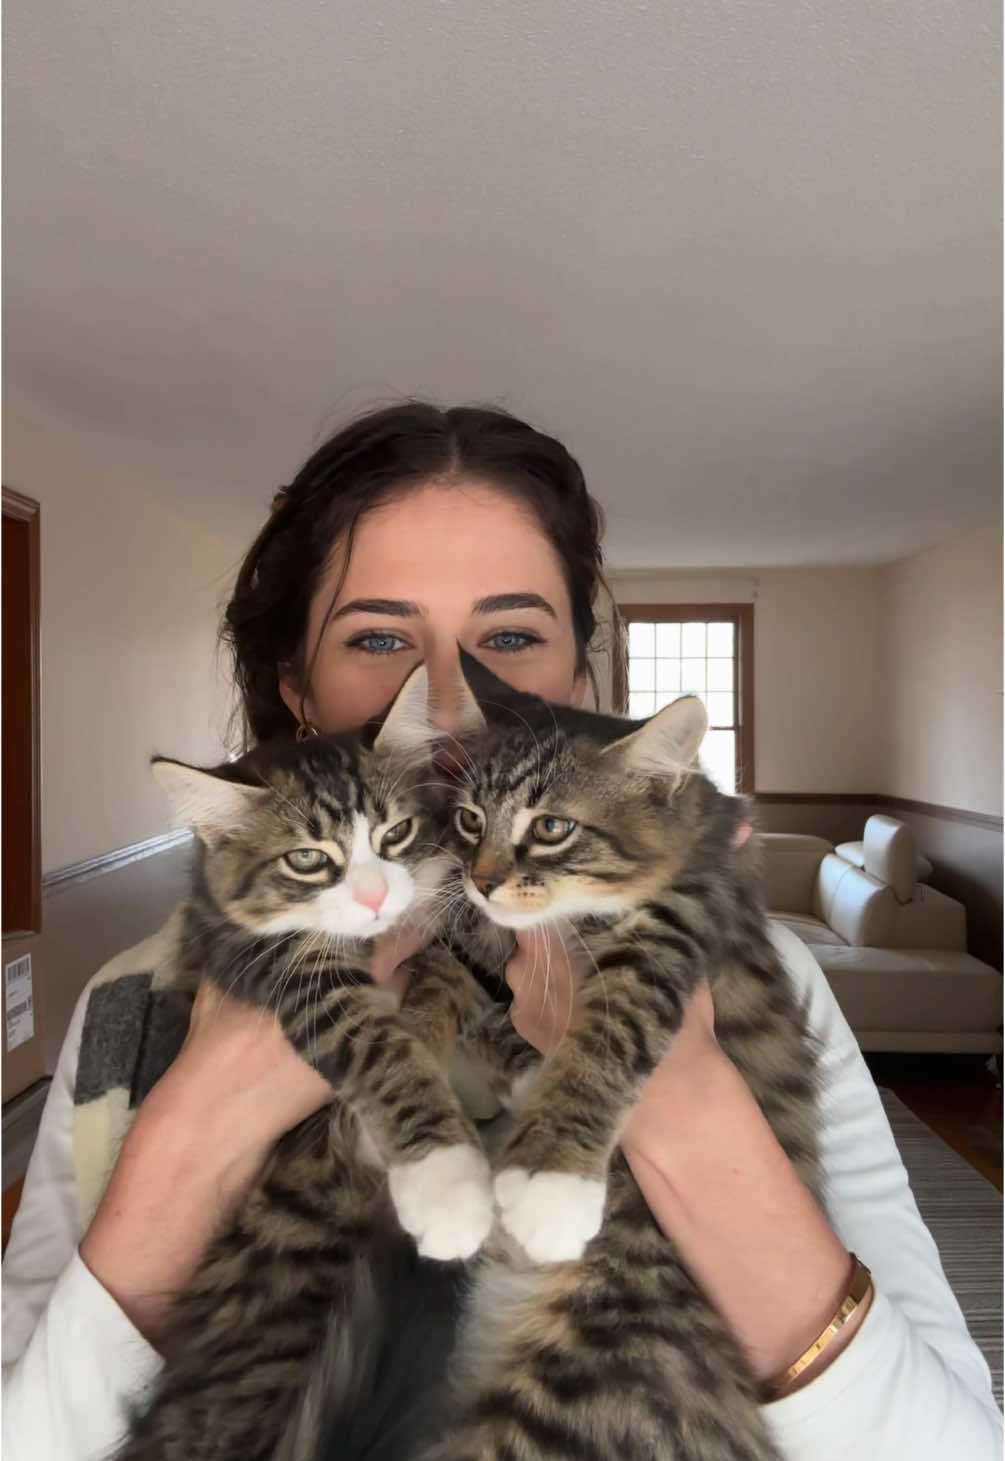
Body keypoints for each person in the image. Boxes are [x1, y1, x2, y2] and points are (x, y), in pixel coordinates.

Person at [2, 403, 1000, 1460]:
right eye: (378, 638)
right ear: (298, 692)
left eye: (511, 637)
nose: (445, 699)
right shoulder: (132, 1005)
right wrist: (193, 1130)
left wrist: (687, 1111)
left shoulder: (764, 974)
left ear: (578, 685)